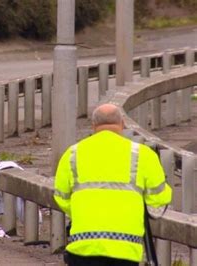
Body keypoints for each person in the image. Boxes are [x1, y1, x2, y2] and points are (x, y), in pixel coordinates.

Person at [53, 103, 172, 266]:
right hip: (126, 249)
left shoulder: (72, 154)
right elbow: (158, 199)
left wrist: (82, 212)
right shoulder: (143, 155)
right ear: (122, 124)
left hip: (83, 246)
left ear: (93, 126)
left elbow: (61, 196)